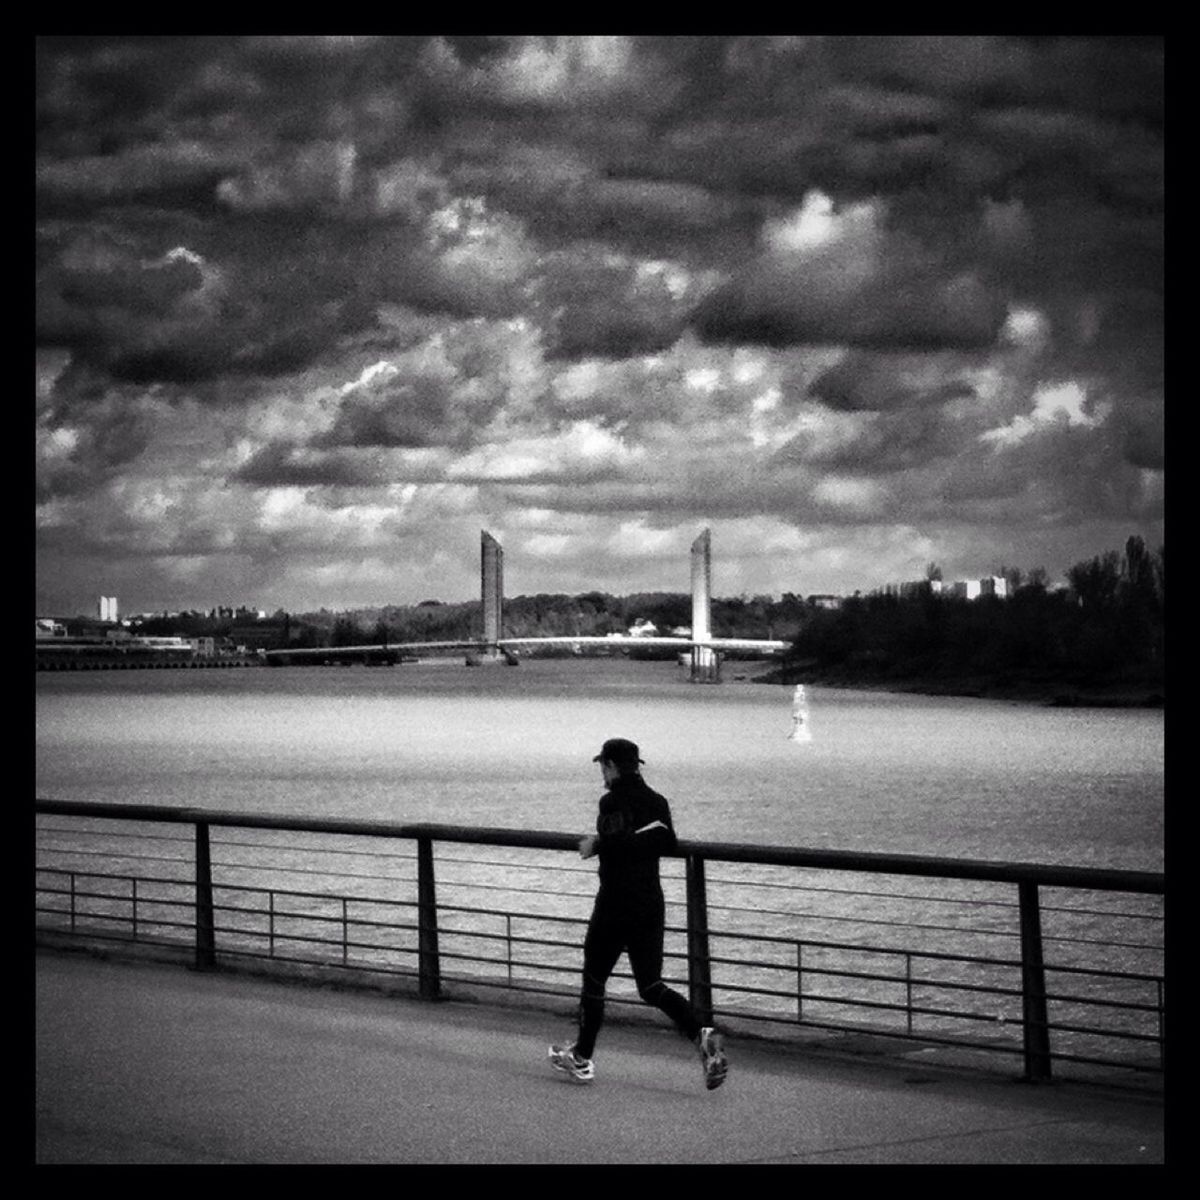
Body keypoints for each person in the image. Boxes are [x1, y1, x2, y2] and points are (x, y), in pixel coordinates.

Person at [548, 737, 728, 1090]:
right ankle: (700, 1033)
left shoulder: (611, 801)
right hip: (650, 902)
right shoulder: (657, 802)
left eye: (603, 766)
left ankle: (582, 1058)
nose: (602, 772)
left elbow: (617, 851)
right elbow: (667, 841)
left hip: (614, 903)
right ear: (637, 766)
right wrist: (623, 840)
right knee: (650, 985)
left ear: (612, 766)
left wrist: (599, 843)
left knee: (595, 980)